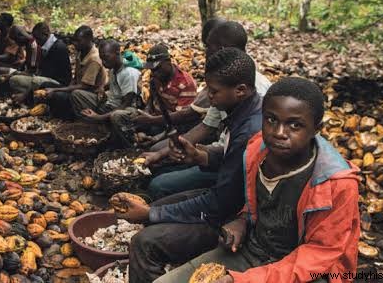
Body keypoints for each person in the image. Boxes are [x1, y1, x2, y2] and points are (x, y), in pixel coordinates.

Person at [155, 77, 360, 283]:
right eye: (271, 120)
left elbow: (320, 252)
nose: (279, 133)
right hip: (254, 251)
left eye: (295, 125)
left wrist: (244, 280)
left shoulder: (336, 184)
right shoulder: (256, 149)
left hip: (307, 270)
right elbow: (257, 199)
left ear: (316, 128)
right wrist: (243, 220)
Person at [118, 47, 263, 283]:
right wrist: (201, 157)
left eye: (214, 91)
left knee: (144, 241)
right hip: (229, 201)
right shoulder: (242, 111)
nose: (209, 96)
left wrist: (152, 213)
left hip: (236, 219)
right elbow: (233, 162)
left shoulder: (249, 130)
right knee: (161, 201)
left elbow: (219, 203)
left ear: (240, 91)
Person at [142, 20, 273, 199]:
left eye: (207, 47)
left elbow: (234, 168)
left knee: (160, 185)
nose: (205, 53)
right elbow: (206, 126)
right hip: (219, 154)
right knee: (160, 168)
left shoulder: (251, 92)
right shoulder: (224, 82)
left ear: (221, 49)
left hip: (232, 171)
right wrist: (161, 154)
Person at [76, 39, 142, 147]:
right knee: (78, 95)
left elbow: (126, 104)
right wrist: (102, 89)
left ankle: (127, 145)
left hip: (129, 110)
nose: (103, 62)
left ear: (117, 53)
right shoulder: (113, 68)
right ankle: (97, 133)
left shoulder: (128, 73)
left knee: (116, 115)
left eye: (106, 58)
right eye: (101, 59)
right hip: (112, 103)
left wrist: (98, 117)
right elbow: (111, 84)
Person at [44, 25, 107, 120]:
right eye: (74, 40)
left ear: (88, 39)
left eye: (78, 41)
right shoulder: (81, 52)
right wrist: (62, 88)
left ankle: (69, 119)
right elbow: (75, 79)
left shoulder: (94, 59)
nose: (74, 43)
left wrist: (56, 90)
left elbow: (84, 86)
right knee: (46, 85)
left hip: (89, 94)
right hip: (78, 88)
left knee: (58, 95)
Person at [134, 43, 197, 136]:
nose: (154, 73)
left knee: (154, 134)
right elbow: (152, 99)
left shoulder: (185, 83)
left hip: (172, 124)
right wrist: (146, 112)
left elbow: (182, 118)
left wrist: (151, 121)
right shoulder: (156, 77)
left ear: (168, 62)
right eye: (152, 70)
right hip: (154, 118)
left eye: (157, 68)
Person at [9, 22, 72, 102]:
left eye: (38, 39)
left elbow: (47, 74)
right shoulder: (46, 46)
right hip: (46, 78)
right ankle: (29, 98)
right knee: (14, 80)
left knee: (36, 80)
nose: (37, 42)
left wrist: (25, 93)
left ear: (45, 35)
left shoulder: (59, 47)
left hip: (58, 83)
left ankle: (27, 98)